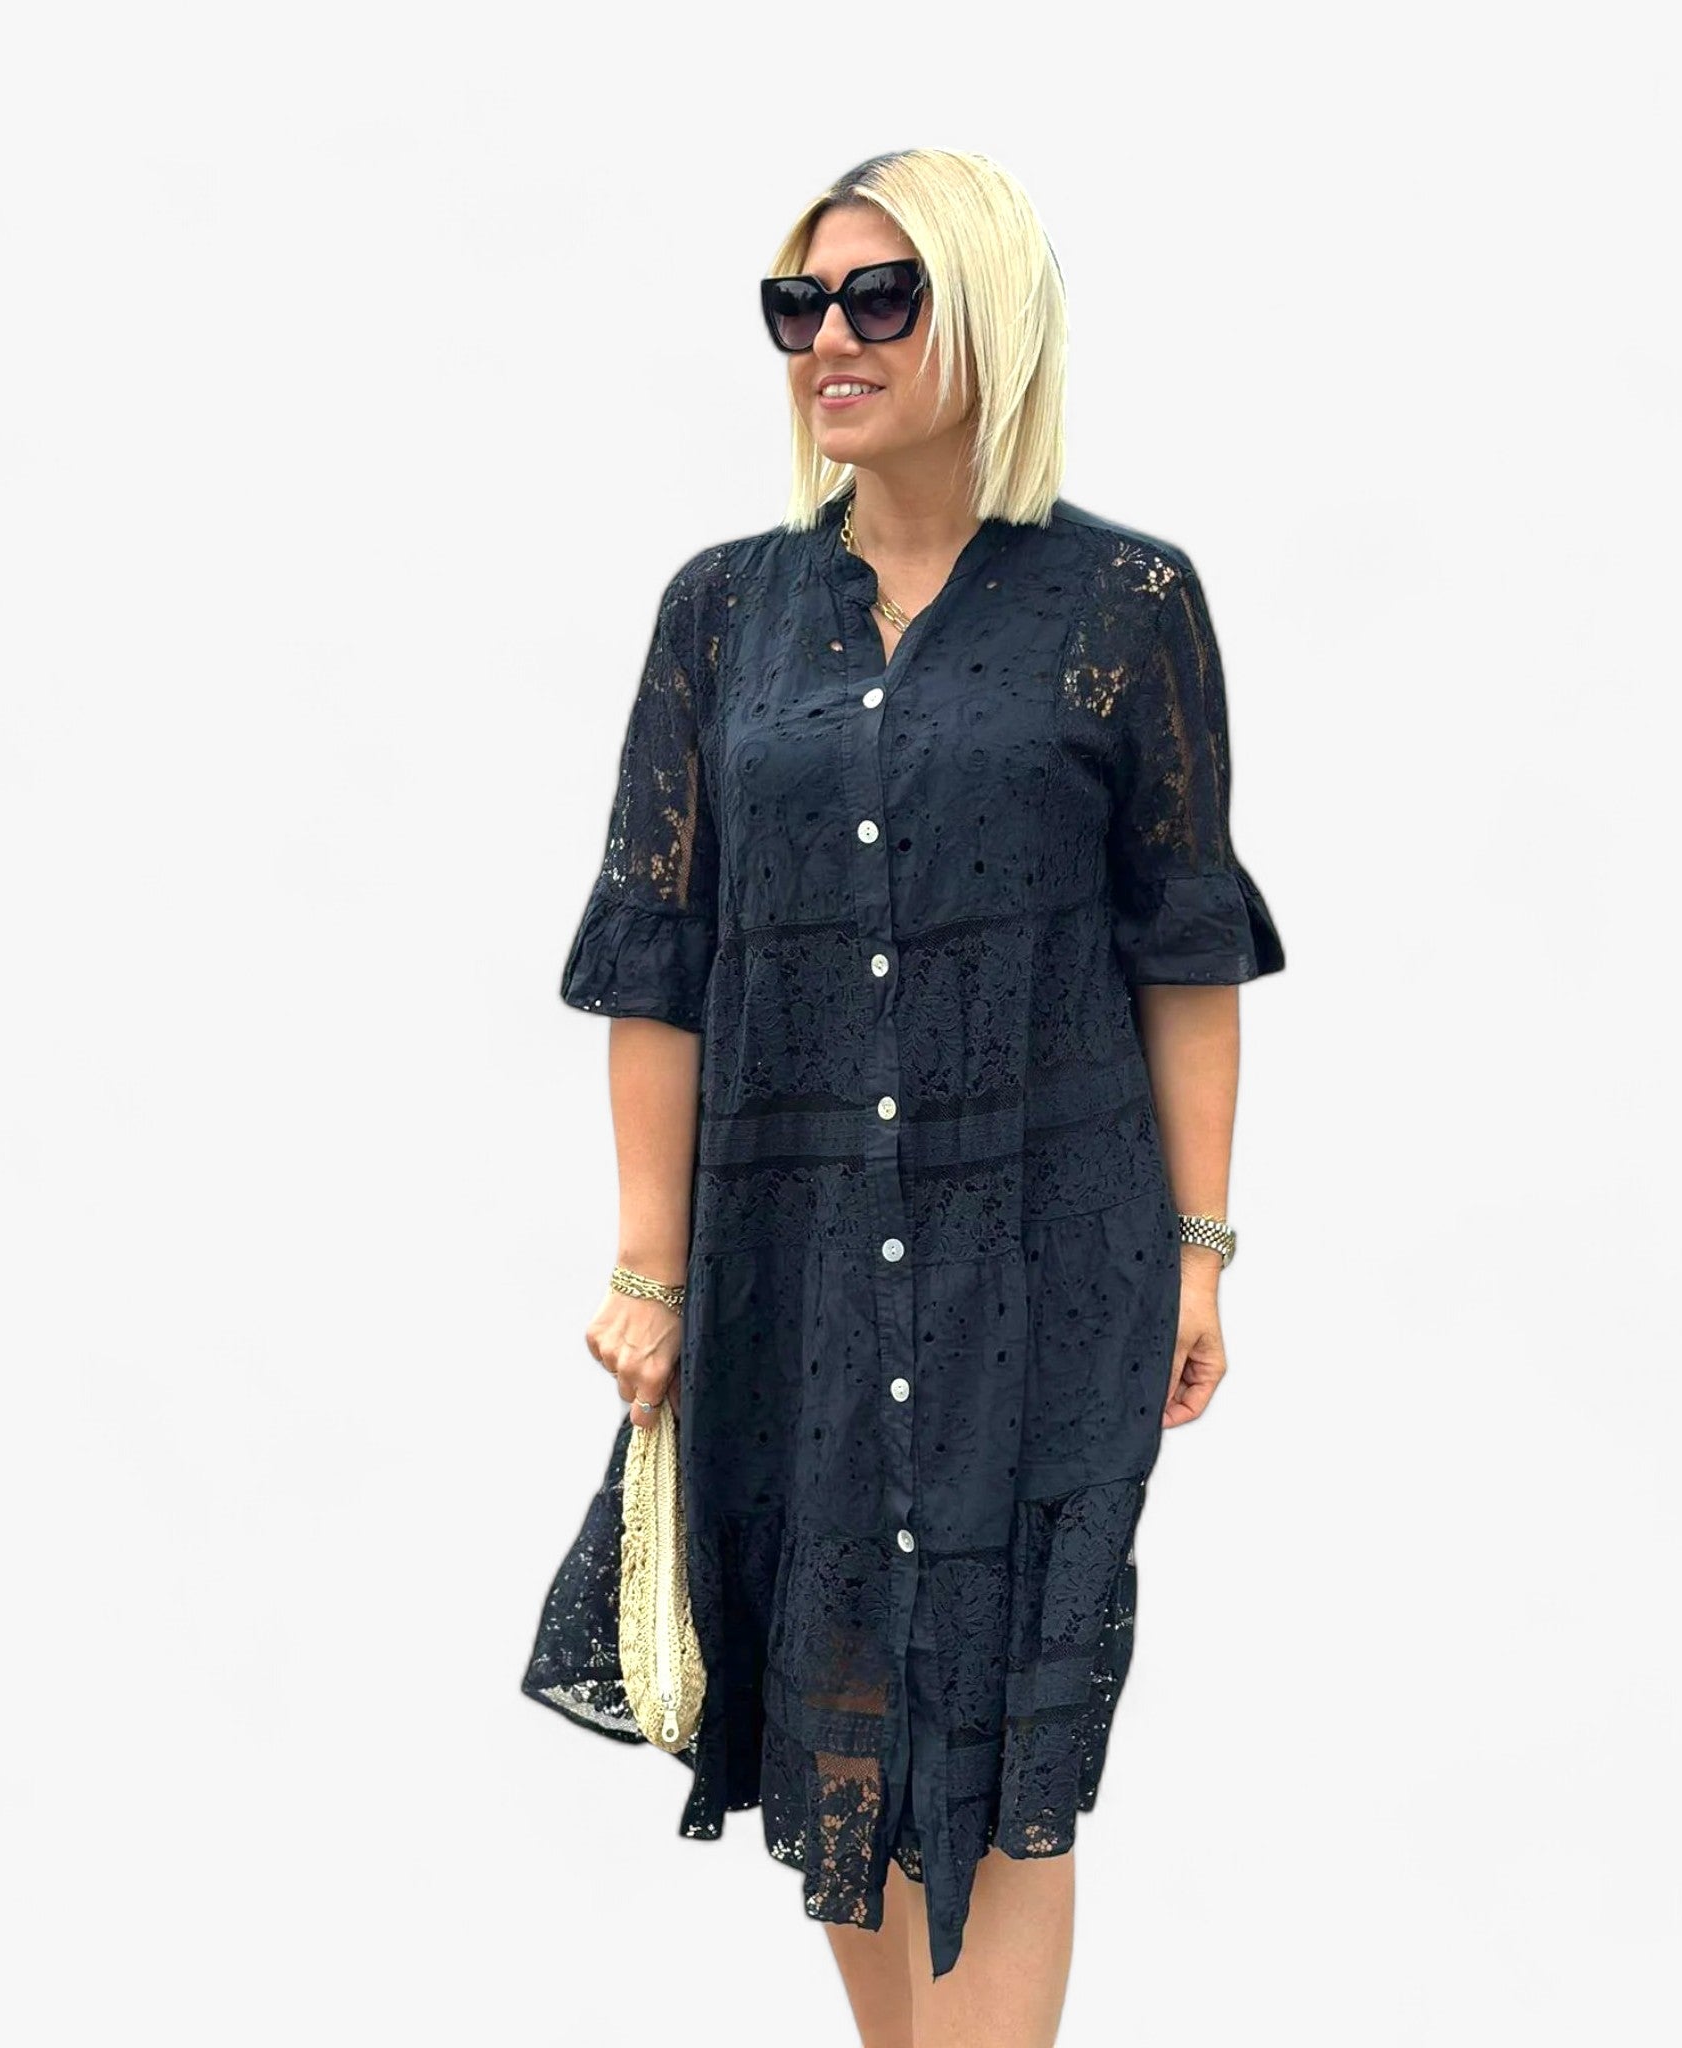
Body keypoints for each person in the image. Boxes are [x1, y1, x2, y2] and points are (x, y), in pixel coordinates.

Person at [522, 147, 1286, 2047]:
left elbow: (1184, 948)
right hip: (789, 1255)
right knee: (837, 1692)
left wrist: (1200, 1249)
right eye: (799, 305)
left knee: (1010, 1702)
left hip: (1045, 1251)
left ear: (987, 316)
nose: (830, 339)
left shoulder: (1126, 603)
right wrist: (647, 1267)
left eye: (881, 297)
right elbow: (656, 955)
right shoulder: (723, 615)